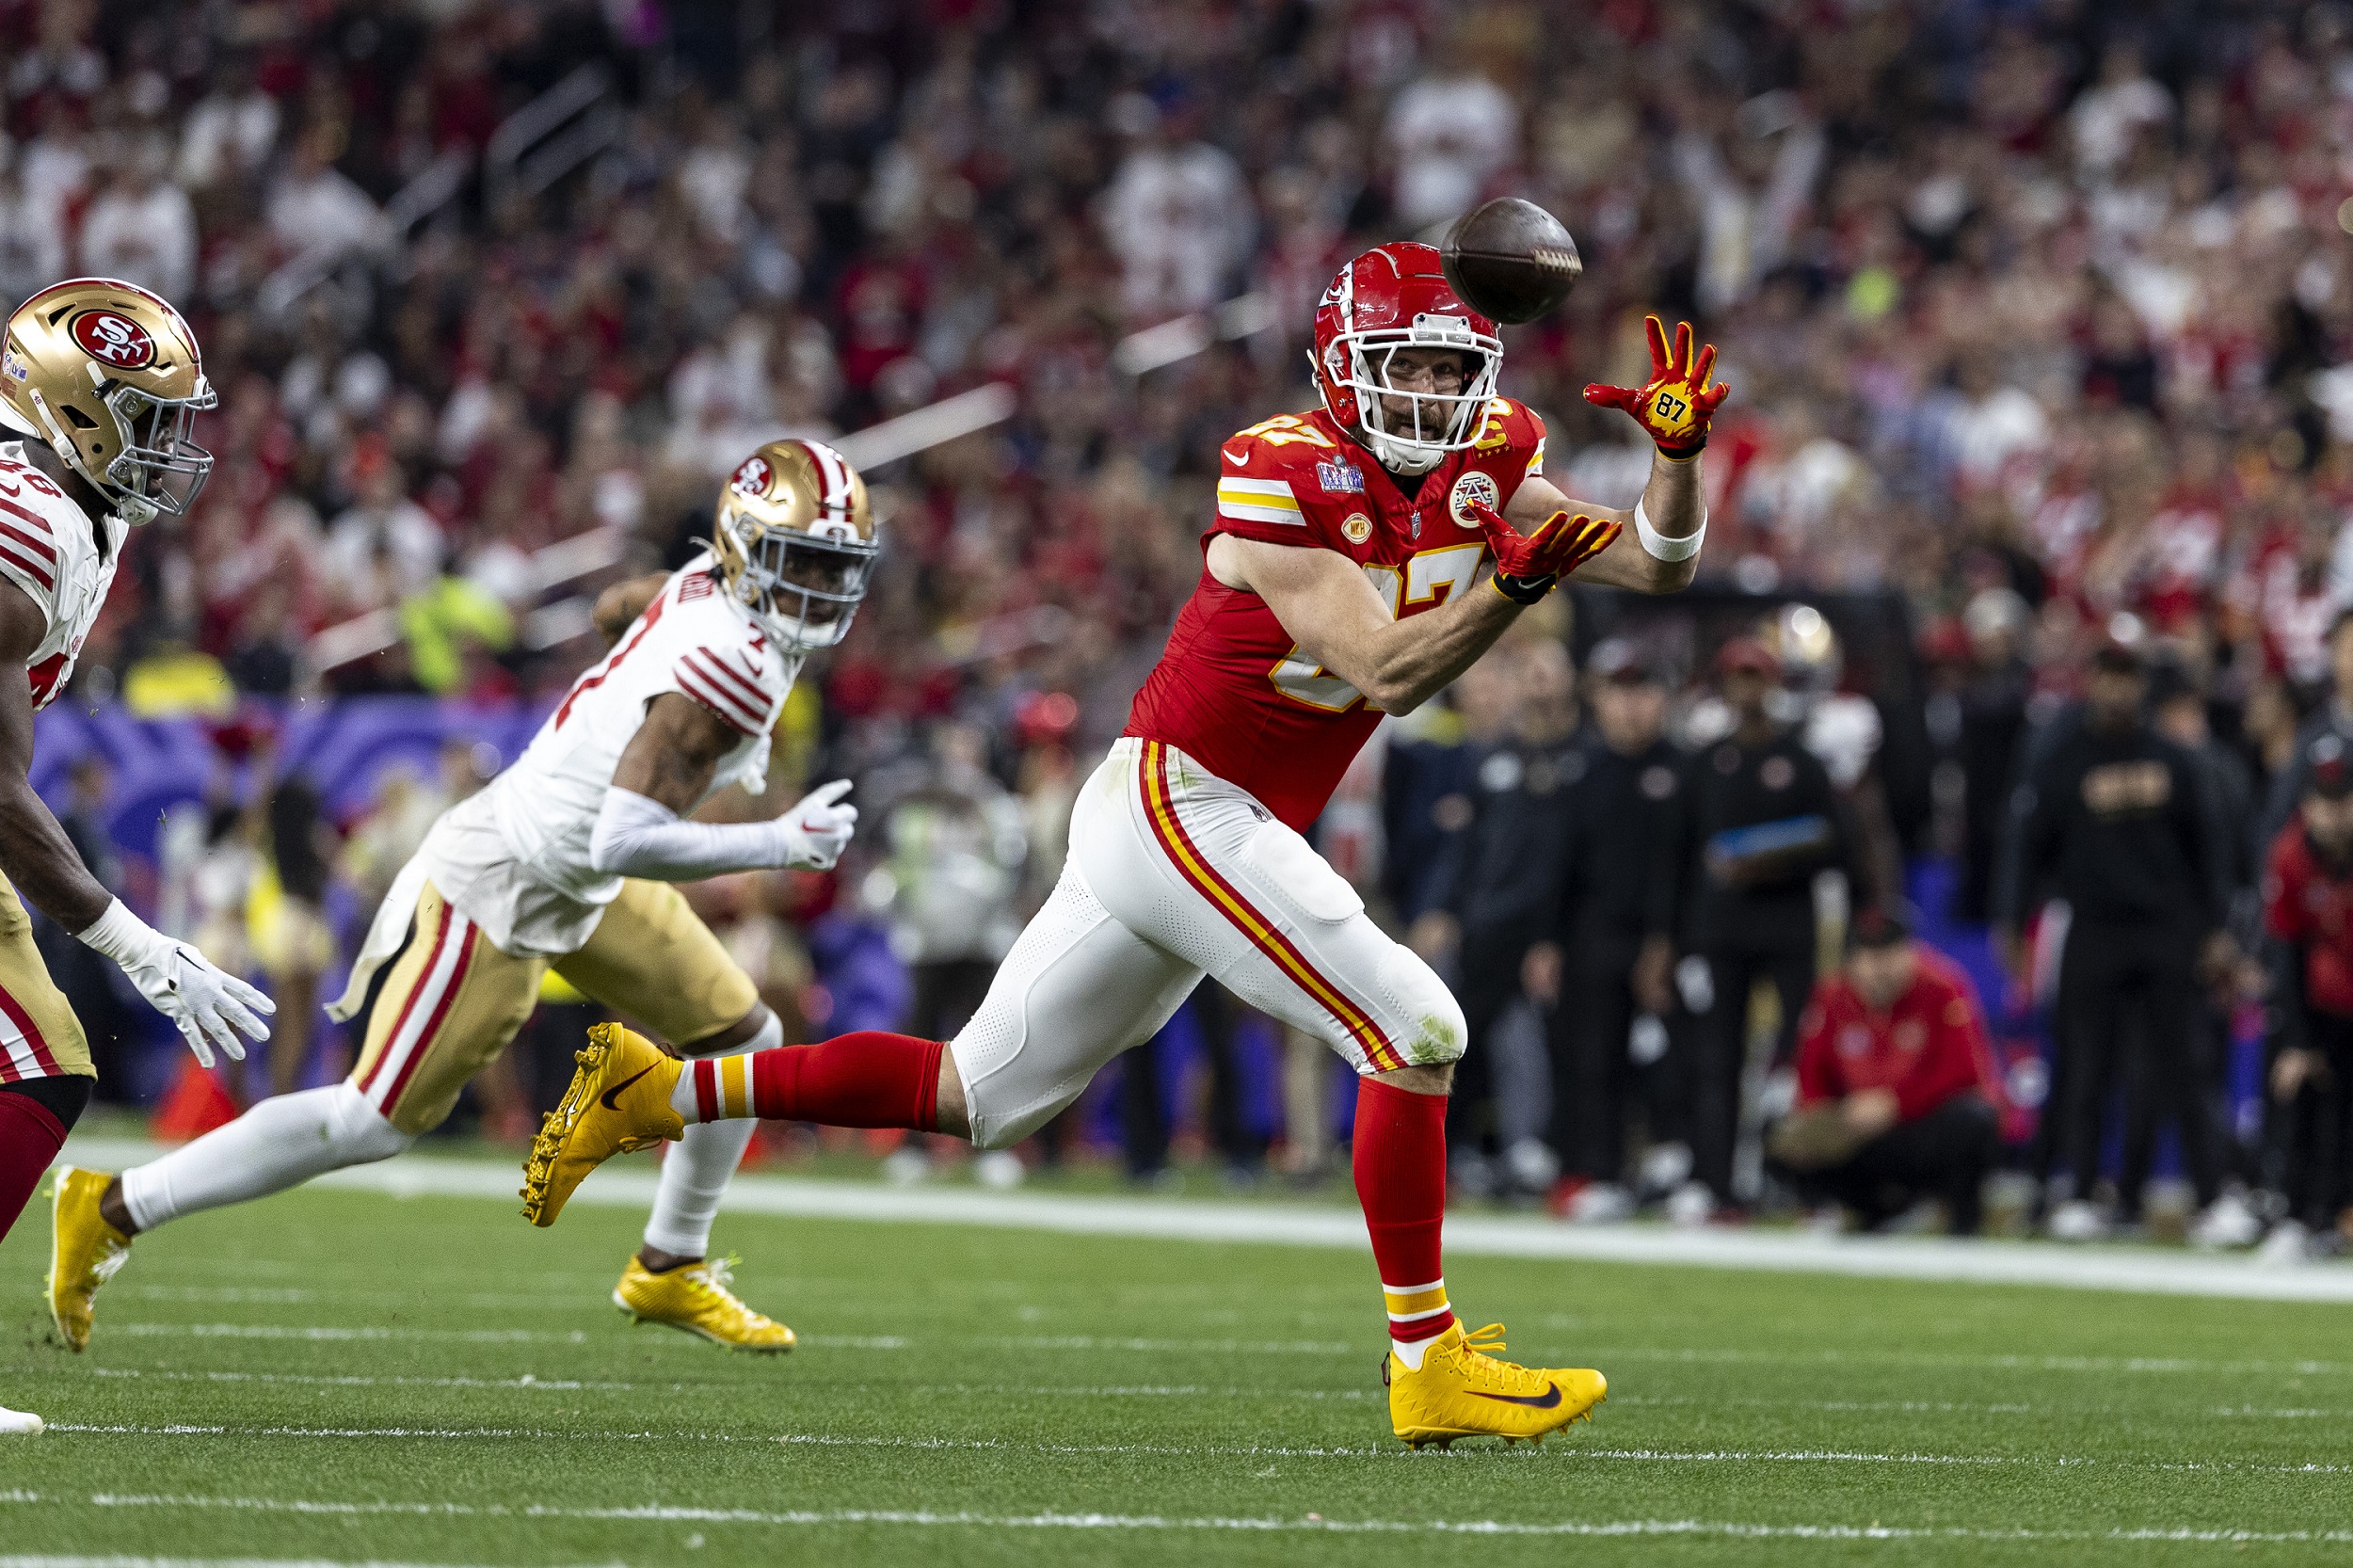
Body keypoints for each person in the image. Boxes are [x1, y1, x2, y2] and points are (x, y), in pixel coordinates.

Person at [524, 253, 1722, 1448]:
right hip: (1183, 804)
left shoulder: (1488, 456)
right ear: (1342, 371)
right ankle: (1429, 1359)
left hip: (1193, 817)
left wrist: (1673, 467)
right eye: (1405, 364)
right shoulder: (1280, 472)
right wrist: (1509, 587)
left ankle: (656, 1088)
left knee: (971, 1093)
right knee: (1416, 1029)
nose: (1430, 392)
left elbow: (1658, 561)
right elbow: (1386, 672)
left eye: (1452, 368)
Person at [48, 439, 877, 1357]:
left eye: (834, 566)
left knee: (745, 1035)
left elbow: (617, 605)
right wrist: (778, 843)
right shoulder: (728, 662)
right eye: (800, 559)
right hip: (507, 879)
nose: (819, 586)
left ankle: (669, 1262)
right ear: (743, 548)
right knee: (366, 1120)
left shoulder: (704, 589)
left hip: (580, 880)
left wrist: (615, 702)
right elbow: (624, 837)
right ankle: (113, 1204)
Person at [0, 278, 276, 1436]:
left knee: (45, 1064)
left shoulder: (63, 502)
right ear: (77, 410)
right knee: (42, 1066)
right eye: (150, 419)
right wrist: (132, 940)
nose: (173, 448)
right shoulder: (25, 524)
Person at [1998, 638, 2234, 1242]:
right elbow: (2030, 847)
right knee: (2085, 1065)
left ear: (2140, 683)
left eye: (2128, 675)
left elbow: (2206, 848)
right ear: (2092, 678)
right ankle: (2079, 1192)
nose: (2118, 687)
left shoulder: (2173, 758)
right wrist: (2013, 920)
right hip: (2094, 925)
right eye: (2109, 673)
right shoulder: (2062, 758)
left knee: (2184, 1065)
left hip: (2166, 927)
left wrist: (2215, 930)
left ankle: (2211, 1198)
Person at [1662, 636, 1848, 1220]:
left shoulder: (1802, 761)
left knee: (1798, 1058)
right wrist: (1671, 940)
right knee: (1716, 1059)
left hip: (1787, 927)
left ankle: (1792, 1180)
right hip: (1719, 933)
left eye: (1757, 677)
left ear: (1773, 685)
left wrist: (1770, 859)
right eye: (1738, 677)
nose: (1748, 689)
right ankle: (1715, 1182)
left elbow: (1835, 844)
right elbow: (1680, 859)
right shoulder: (1704, 764)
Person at [1529, 639, 1686, 1222]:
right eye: (1619, 692)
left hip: (1669, 940)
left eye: (1642, 691)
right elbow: (1559, 865)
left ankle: (1675, 1170)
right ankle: (1596, 1171)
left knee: (1673, 1061)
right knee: (1589, 1057)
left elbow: (1683, 866)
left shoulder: (1681, 769)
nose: (1630, 706)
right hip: (1592, 936)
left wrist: (1666, 944)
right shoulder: (1584, 771)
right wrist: (1546, 942)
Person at [1424, 637, 1583, 1192]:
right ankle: (1469, 1149)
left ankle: (1536, 1147)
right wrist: (1444, 908)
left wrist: (1554, 935)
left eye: (1548, 670)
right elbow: (1469, 849)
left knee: (1540, 1041)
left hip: (1555, 926)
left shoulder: (1584, 758)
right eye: (1529, 671)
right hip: (1486, 922)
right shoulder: (1494, 758)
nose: (1538, 681)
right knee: (1467, 1035)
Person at [1769, 907, 2002, 1234]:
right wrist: (1828, 1117)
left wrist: (1895, 1103)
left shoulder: (1943, 986)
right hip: (1859, 1131)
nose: (1880, 968)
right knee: (1784, 1138)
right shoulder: (1832, 995)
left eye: (1890, 954)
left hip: (1921, 1125)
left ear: (1910, 953)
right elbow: (1810, 1074)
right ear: (1853, 961)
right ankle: (1875, 1210)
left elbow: (1963, 1072)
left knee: (1975, 1119)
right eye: (1870, 956)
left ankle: (1962, 1215)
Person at [2256, 735, 2353, 1260]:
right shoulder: (2291, 855)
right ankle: (2298, 1213)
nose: (2333, 815)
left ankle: (2340, 1215)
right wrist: (2296, 1039)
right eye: (2323, 802)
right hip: (2322, 1001)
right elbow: (2286, 950)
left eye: (2344, 801)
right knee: (2303, 1091)